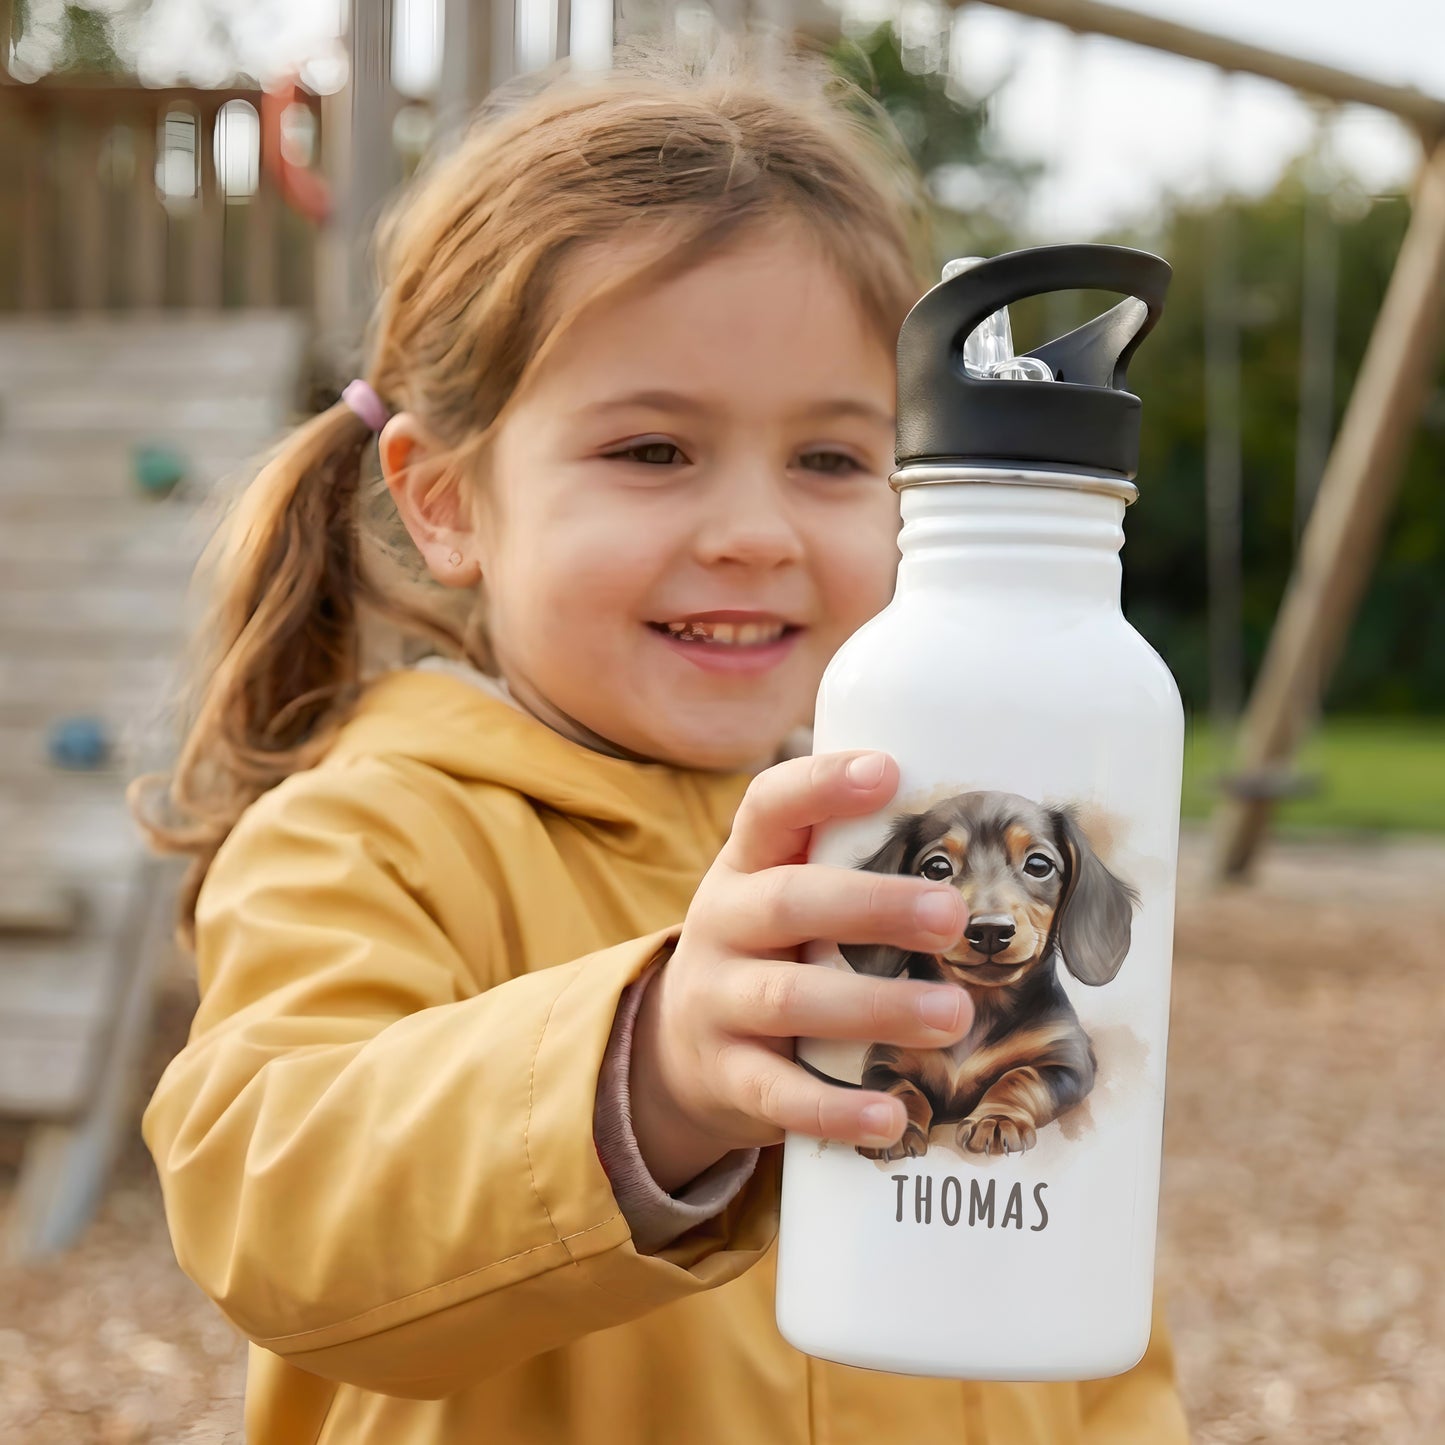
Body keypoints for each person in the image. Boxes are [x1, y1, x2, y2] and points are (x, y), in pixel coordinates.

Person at [136, 46, 1189, 1445]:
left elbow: (1082, 1280)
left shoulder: (927, 838)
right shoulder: (378, 831)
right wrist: (645, 1073)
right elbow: (269, 1201)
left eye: (830, 460)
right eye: (652, 452)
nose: (754, 530)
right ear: (447, 502)